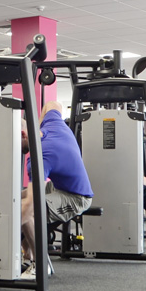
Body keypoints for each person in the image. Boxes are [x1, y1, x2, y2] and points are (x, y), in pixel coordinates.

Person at [22, 99, 92, 266]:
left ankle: (40, 264)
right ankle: (27, 257)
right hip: (59, 186)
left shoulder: (40, 157)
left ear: (24, 135)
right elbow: (53, 104)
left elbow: (31, 206)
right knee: (15, 198)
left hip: (77, 196)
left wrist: (1, 231)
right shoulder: (52, 125)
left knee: (27, 210)